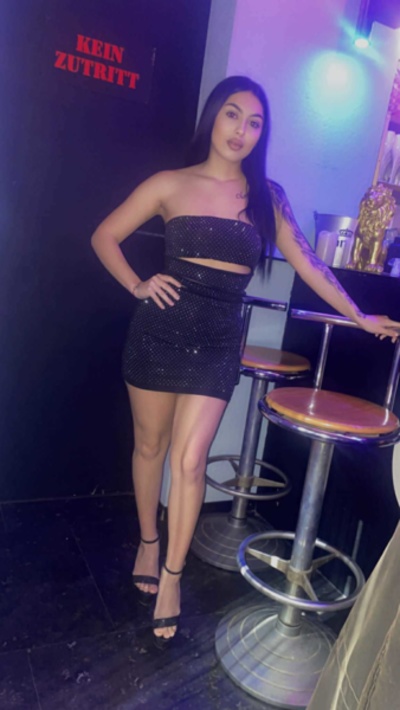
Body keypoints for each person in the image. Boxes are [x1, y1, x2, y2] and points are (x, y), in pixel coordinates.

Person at [91, 75, 400, 648]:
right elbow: (104, 235)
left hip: (217, 341)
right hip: (158, 331)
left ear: (262, 134)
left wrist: (359, 315)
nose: (241, 130)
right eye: (233, 114)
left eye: (254, 122)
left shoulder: (266, 197)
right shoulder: (169, 183)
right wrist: (138, 284)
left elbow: (309, 264)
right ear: (214, 116)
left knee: (189, 460)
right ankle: (148, 543)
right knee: (150, 448)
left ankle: (172, 577)